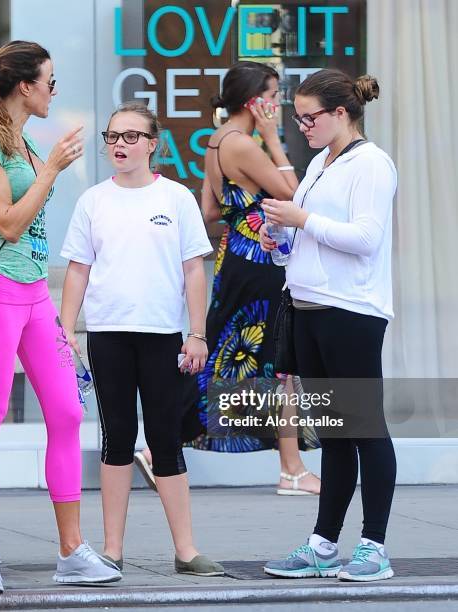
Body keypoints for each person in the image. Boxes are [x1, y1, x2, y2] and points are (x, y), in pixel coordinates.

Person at [0, 40, 121, 593]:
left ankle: (72, 551)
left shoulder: (19, 141)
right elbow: (6, 223)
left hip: (34, 296)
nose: (55, 91)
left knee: (68, 413)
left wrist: (42, 163)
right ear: (24, 86)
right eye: (50, 81)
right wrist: (49, 169)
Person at [135, 61, 320, 495]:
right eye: (272, 97)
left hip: (235, 255)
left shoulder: (217, 142)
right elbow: (295, 195)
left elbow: (210, 212)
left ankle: (158, 444)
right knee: (277, 362)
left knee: (225, 355)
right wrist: (274, 140)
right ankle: (291, 470)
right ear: (254, 100)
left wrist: (245, 214)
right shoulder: (245, 144)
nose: (276, 106)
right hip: (260, 260)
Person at [60, 101, 224, 577]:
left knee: (166, 439)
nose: (120, 145)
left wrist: (197, 333)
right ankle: (112, 549)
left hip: (163, 337)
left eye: (132, 136)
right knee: (116, 440)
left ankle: (187, 551)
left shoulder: (175, 198)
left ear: (153, 144)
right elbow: (78, 269)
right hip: (109, 335)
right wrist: (65, 329)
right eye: (112, 137)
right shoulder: (93, 200)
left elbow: (194, 269)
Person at [260, 69, 397, 582]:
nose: (303, 126)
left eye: (310, 117)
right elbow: (316, 239)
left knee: (365, 429)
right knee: (335, 435)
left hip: (352, 312)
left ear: (342, 113)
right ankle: (323, 544)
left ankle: (374, 547)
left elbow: (365, 237)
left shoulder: (373, 164)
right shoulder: (321, 162)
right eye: (298, 118)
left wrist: (302, 222)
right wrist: (282, 241)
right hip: (309, 307)